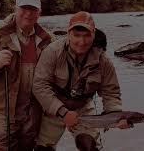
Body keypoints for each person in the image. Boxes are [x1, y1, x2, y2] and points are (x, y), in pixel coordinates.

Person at [32, 11, 131, 151]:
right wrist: (63, 112)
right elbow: (39, 86)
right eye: (77, 35)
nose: (82, 42)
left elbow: (110, 92)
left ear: (94, 34)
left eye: (86, 36)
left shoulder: (103, 61)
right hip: (54, 106)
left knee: (90, 147)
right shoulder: (53, 52)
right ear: (68, 34)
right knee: (43, 149)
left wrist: (116, 115)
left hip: (83, 107)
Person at [0, 0, 54, 151]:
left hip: (33, 110)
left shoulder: (47, 39)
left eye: (33, 9)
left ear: (39, 13)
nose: (28, 13)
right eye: (24, 8)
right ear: (15, 9)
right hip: (4, 111)